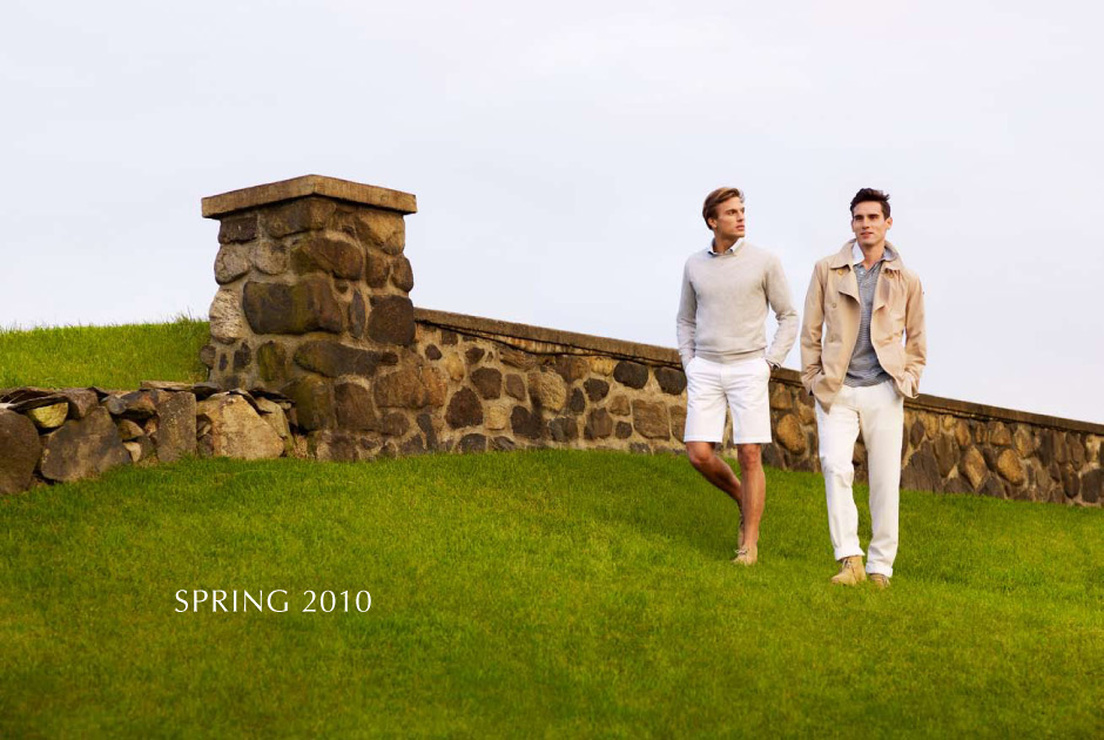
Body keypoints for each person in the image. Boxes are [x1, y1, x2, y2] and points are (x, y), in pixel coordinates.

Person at [800, 187, 926, 588]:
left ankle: (880, 568)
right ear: (852, 223)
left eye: (873, 217)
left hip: (885, 389)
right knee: (835, 466)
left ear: (888, 223)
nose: (865, 224)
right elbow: (810, 330)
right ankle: (849, 559)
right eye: (859, 218)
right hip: (837, 389)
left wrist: (909, 379)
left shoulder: (907, 279)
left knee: (885, 481)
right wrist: (812, 379)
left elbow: (917, 339)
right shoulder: (827, 270)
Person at [677, 187, 798, 565]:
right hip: (706, 367)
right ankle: (741, 498)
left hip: (749, 367)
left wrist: (770, 363)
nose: (740, 217)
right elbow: (685, 319)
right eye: (731, 212)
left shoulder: (765, 261)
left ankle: (748, 544)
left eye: (742, 210)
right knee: (698, 454)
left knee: (749, 453)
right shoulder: (694, 265)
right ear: (712, 221)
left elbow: (788, 316)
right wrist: (689, 362)